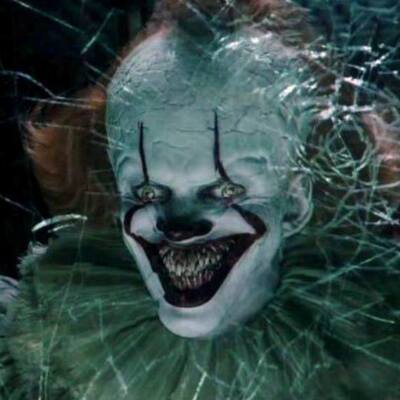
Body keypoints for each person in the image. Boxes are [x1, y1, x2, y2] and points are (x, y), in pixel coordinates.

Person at [1, 1, 400, 399]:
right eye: (147, 192)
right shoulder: (57, 342)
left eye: (224, 192)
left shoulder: (373, 354)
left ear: (296, 202)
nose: (177, 228)